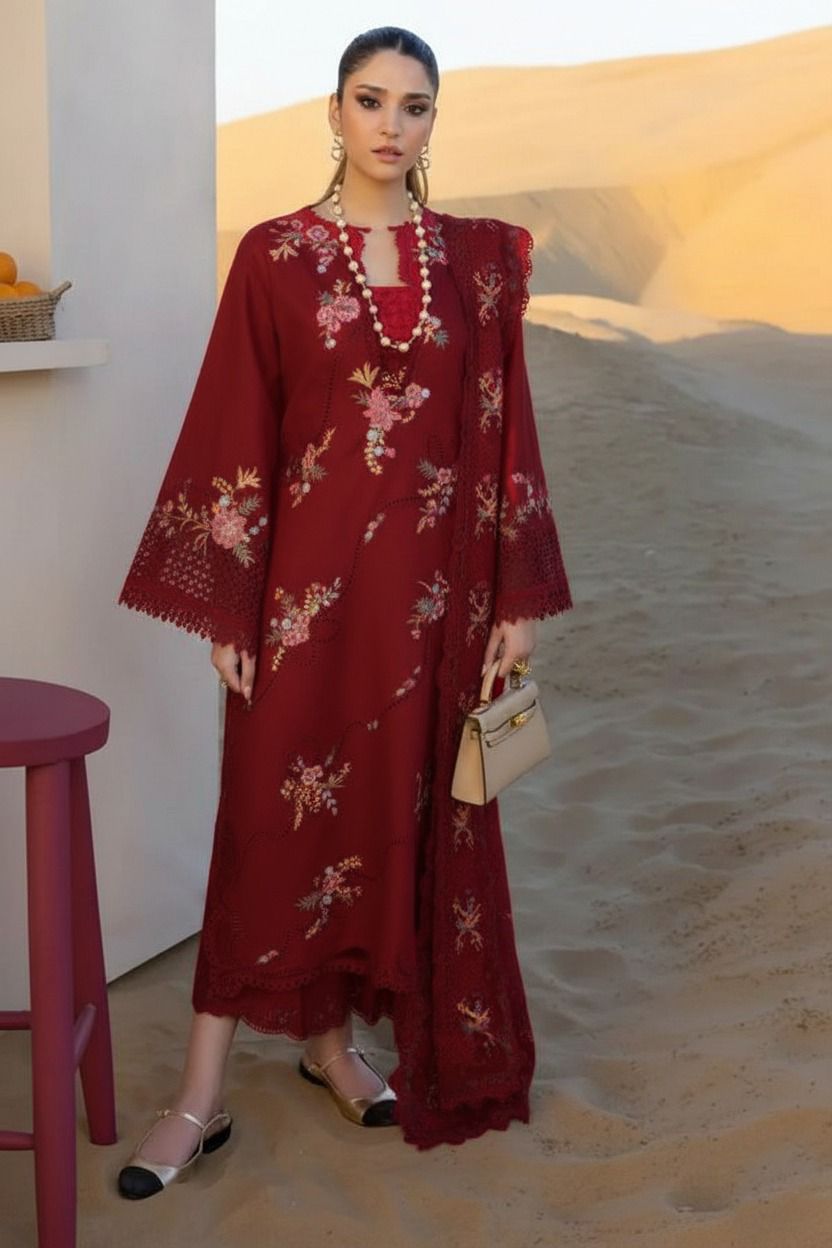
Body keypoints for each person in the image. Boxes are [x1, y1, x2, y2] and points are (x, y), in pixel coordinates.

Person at [115, 25, 573, 1197]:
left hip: (434, 608)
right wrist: (229, 606)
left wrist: (515, 599)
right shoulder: (276, 258)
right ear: (332, 111)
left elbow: (509, 423)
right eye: (369, 100)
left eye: (414, 107)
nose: (389, 124)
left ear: (432, 123)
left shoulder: (471, 264)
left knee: (391, 822)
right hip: (304, 606)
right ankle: (199, 1096)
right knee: (268, 828)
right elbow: (237, 429)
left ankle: (331, 1047)